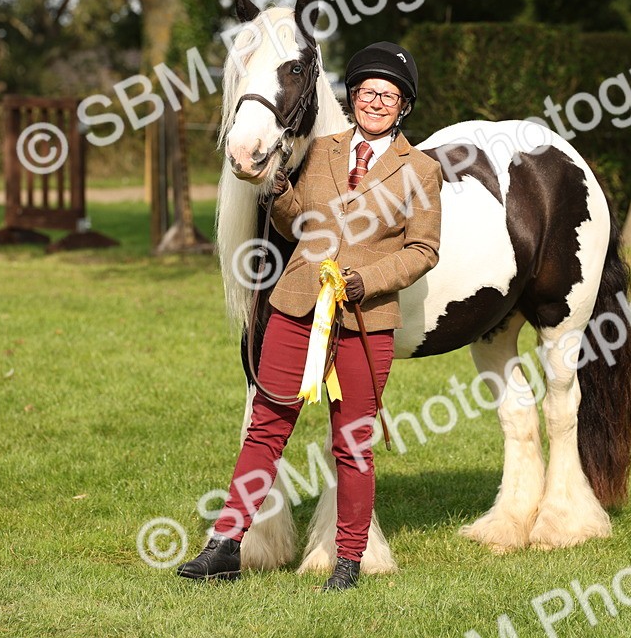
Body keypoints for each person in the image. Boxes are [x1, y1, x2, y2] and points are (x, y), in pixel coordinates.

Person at [178, 41, 443, 591]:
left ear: (404, 106)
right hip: (297, 305)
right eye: (367, 92)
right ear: (354, 96)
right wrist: (275, 188)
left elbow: (423, 251)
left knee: (352, 441)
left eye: (387, 96)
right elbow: (299, 217)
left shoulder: (421, 170)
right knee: (265, 426)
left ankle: (348, 559)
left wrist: (365, 281)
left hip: (364, 319)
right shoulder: (321, 150)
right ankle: (225, 544)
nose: (375, 102)